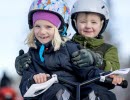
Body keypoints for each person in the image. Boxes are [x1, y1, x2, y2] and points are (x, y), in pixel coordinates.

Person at [19, 0, 124, 100]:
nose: (42, 31)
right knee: (56, 91)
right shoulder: (32, 55)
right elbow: (25, 85)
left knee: (99, 92)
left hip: (76, 92)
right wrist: (33, 80)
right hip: (53, 93)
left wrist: (107, 77)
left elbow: (88, 71)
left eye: (48, 27)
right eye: (37, 26)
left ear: (60, 29)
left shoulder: (69, 47)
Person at [70, 0, 120, 71]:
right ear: (75, 23)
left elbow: (114, 69)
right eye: (83, 22)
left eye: (94, 22)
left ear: (101, 24)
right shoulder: (66, 45)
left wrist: (97, 60)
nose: (88, 26)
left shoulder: (109, 49)